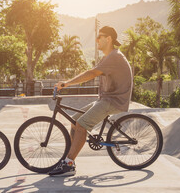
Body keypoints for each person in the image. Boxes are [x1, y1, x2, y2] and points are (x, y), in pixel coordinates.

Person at [48, 26, 133, 177]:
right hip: (106, 98)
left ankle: (68, 164)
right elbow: (92, 72)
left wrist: (66, 83)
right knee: (75, 120)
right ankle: (70, 158)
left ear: (109, 39)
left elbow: (91, 74)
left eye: (100, 36)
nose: (97, 39)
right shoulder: (107, 57)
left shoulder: (115, 56)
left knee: (82, 124)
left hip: (114, 101)